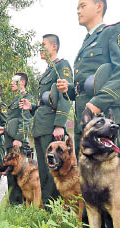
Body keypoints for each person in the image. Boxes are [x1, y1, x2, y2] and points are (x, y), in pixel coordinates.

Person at [57, 0, 120, 228]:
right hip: (85, 119)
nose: (78, 9)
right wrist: (69, 89)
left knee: (111, 179)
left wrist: (99, 102)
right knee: (88, 180)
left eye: (83, 4)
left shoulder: (114, 31)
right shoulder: (86, 41)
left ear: (98, 6)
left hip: (105, 118)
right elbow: (84, 86)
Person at [20, 34, 72, 208]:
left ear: (54, 46)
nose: (40, 49)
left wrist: (59, 124)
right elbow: (45, 101)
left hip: (51, 126)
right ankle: (48, 209)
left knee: (53, 171)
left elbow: (64, 96)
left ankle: (57, 211)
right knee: (43, 171)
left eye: (43, 45)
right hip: (40, 126)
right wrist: (32, 106)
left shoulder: (61, 66)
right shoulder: (47, 71)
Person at [0, 73, 33, 205]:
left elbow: (26, 119)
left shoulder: (26, 98)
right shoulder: (16, 99)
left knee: (19, 173)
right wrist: (4, 129)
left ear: (22, 82)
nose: (11, 83)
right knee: (11, 172)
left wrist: (20, 138)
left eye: (14, 81)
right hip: (10, 140)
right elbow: (13, 121)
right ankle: (13, 203)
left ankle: (20, 204)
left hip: (17, 142)